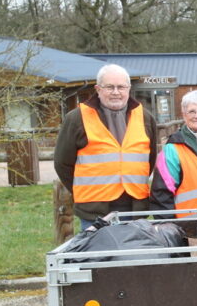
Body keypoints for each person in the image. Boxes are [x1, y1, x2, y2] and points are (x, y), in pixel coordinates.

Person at [54, 64, 157, 230]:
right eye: (109, 87)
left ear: (129, 88)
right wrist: (84, 191)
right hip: (94, 211)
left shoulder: (146, 117)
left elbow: (150, 160)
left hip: (135, 209)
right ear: (98, 89)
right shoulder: (76, 118)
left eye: (121, 87)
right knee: (97, 256)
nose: (116, 92)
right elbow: (62, 163)